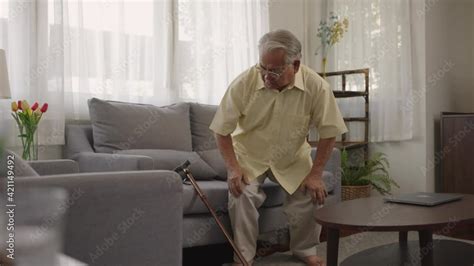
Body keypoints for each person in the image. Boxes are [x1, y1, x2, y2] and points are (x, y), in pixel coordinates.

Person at [209, 29, 347, 266]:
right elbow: (221, 129)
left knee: (312, 192)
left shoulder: (317, 87)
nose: (266, 75)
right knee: (241, 194)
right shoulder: (244, 83)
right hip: (250, 155)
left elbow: (329, 131)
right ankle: (243, 257)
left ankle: (304, 250)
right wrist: (233, 168)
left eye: (274, 69)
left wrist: (315, 174)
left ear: (295, 64)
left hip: (292, 156)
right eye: (262, 67)